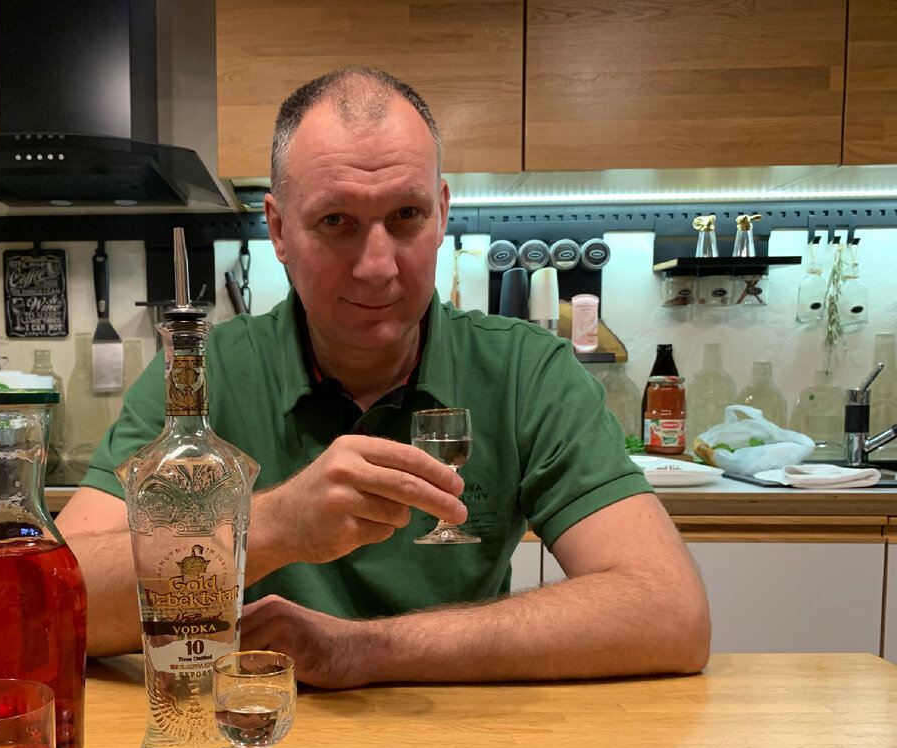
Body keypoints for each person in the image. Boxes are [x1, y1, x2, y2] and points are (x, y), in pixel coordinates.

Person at [56, 67, 710, 688]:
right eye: (335, 221)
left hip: (467, 743)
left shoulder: (526, 373)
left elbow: (670, 612)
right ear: (278, 230)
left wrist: (358, 650)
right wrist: (275, 525)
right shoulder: (200, 375)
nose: (376, 266)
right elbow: (53, 598)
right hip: (244, 738)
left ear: (442, 213)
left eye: (405, 216)